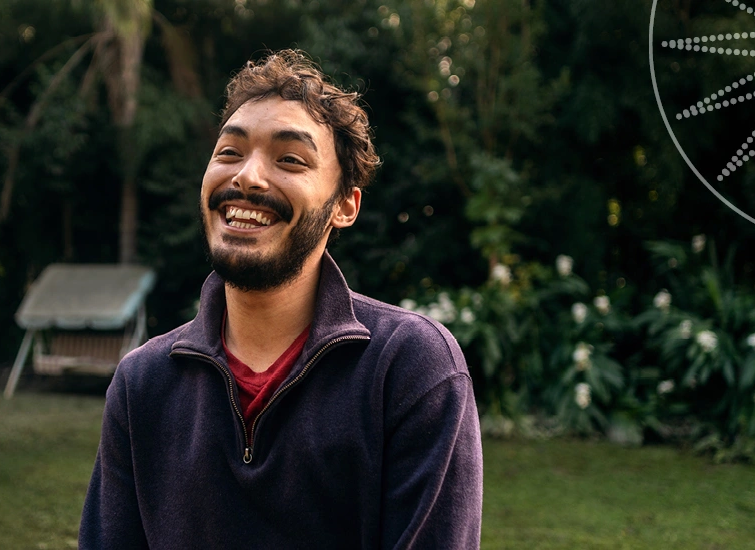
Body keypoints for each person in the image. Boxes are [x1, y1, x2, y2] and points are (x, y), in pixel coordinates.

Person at [78, 49, 483, 549]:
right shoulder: (143, 383)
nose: (246, 177)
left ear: (344, 206)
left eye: (290, 159)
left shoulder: (410, 369)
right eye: (228, 152)